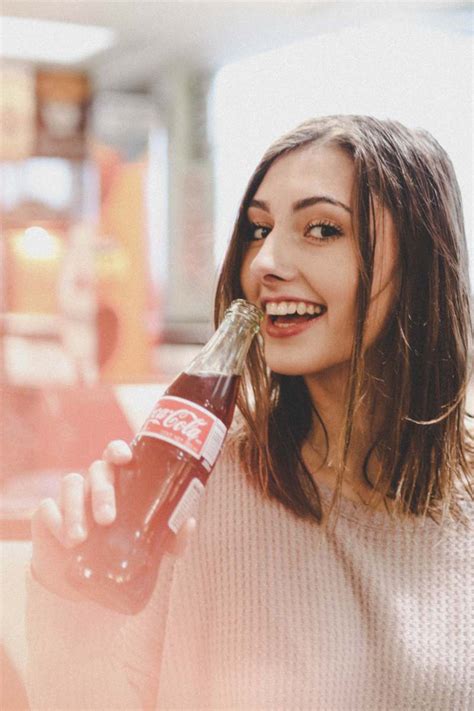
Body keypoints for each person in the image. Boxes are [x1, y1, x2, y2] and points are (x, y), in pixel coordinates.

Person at [26, 115, 473, 710]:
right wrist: (70, 609)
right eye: (259, 230)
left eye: (321, 228)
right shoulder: (196, 486)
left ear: (420, 261)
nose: (266, 263)